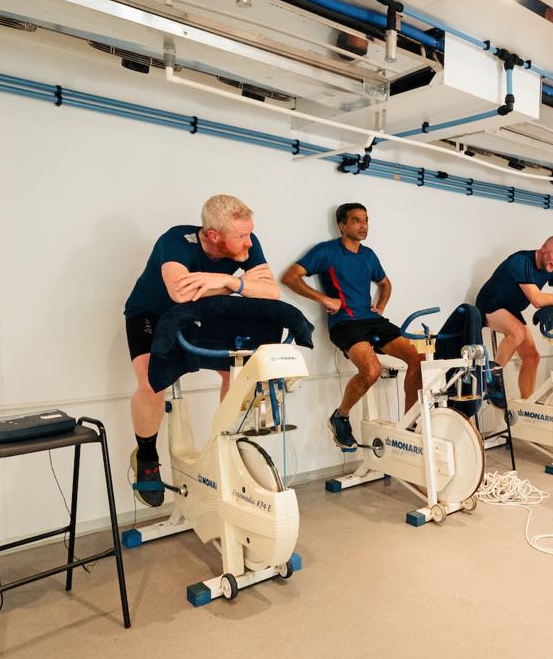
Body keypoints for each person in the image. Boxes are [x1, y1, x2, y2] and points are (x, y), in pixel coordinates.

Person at [123, 195, 279, 506]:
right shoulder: (176, 241)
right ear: (212, 236)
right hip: (150, 316)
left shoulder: (248, 242)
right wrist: (239, 283)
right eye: (241, 237)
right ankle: (147, 455)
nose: (249, 243)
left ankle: (226, 446)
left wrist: (223, 281)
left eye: (250, 233)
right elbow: (180, 293)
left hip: (200, 313)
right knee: (152, 383)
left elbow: (271, 292)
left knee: (235, 371)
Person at [282, 203, 423, 451]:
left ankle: (410, 423)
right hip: (345, 323)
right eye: (356, 220)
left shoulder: (369, 255)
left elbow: (386, 284)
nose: (363, 225)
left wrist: (380, 306)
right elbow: (290, 277)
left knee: (417, 358)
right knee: (371, 370)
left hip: (371, 320)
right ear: (342, 225)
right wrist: (324, 299)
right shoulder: (326, 251)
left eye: (366, 220)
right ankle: (340, 416)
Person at [475, 236, 553, 403]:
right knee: (517, 333)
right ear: (543, 248)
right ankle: (491, 380)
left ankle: (527, 405)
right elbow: (537, 300)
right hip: (489, 304)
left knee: (532, 357)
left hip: (511, 310)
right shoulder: (521, 261)